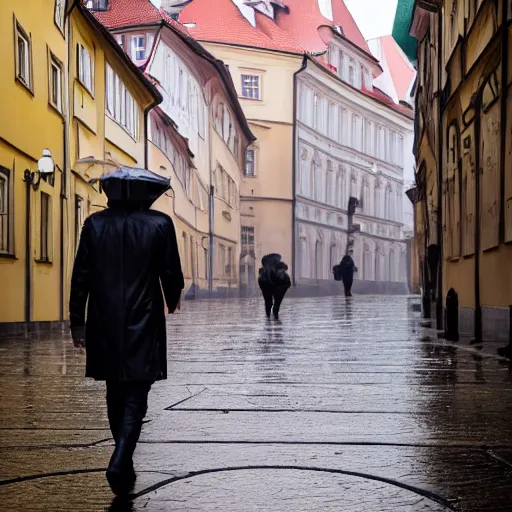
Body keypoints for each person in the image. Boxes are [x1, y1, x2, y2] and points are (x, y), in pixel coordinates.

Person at [69, 168, 184, 496]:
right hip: (144, 316)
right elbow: (171, 271)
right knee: (137, 391)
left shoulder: (95, 224)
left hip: (103, 317)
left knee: (114, 389)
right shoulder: (160, 224)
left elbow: (81, 276)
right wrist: (172, 297)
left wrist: (78, 321)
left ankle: (124, 459)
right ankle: (121, 459)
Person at [258, 253, 291, 320]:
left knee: (273, 304)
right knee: (270, 303)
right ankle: (271, 317)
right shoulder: (266, 272)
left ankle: (272, 317)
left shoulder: (276, 270)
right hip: (269, 285)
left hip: (278, 286)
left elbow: (286, 282)